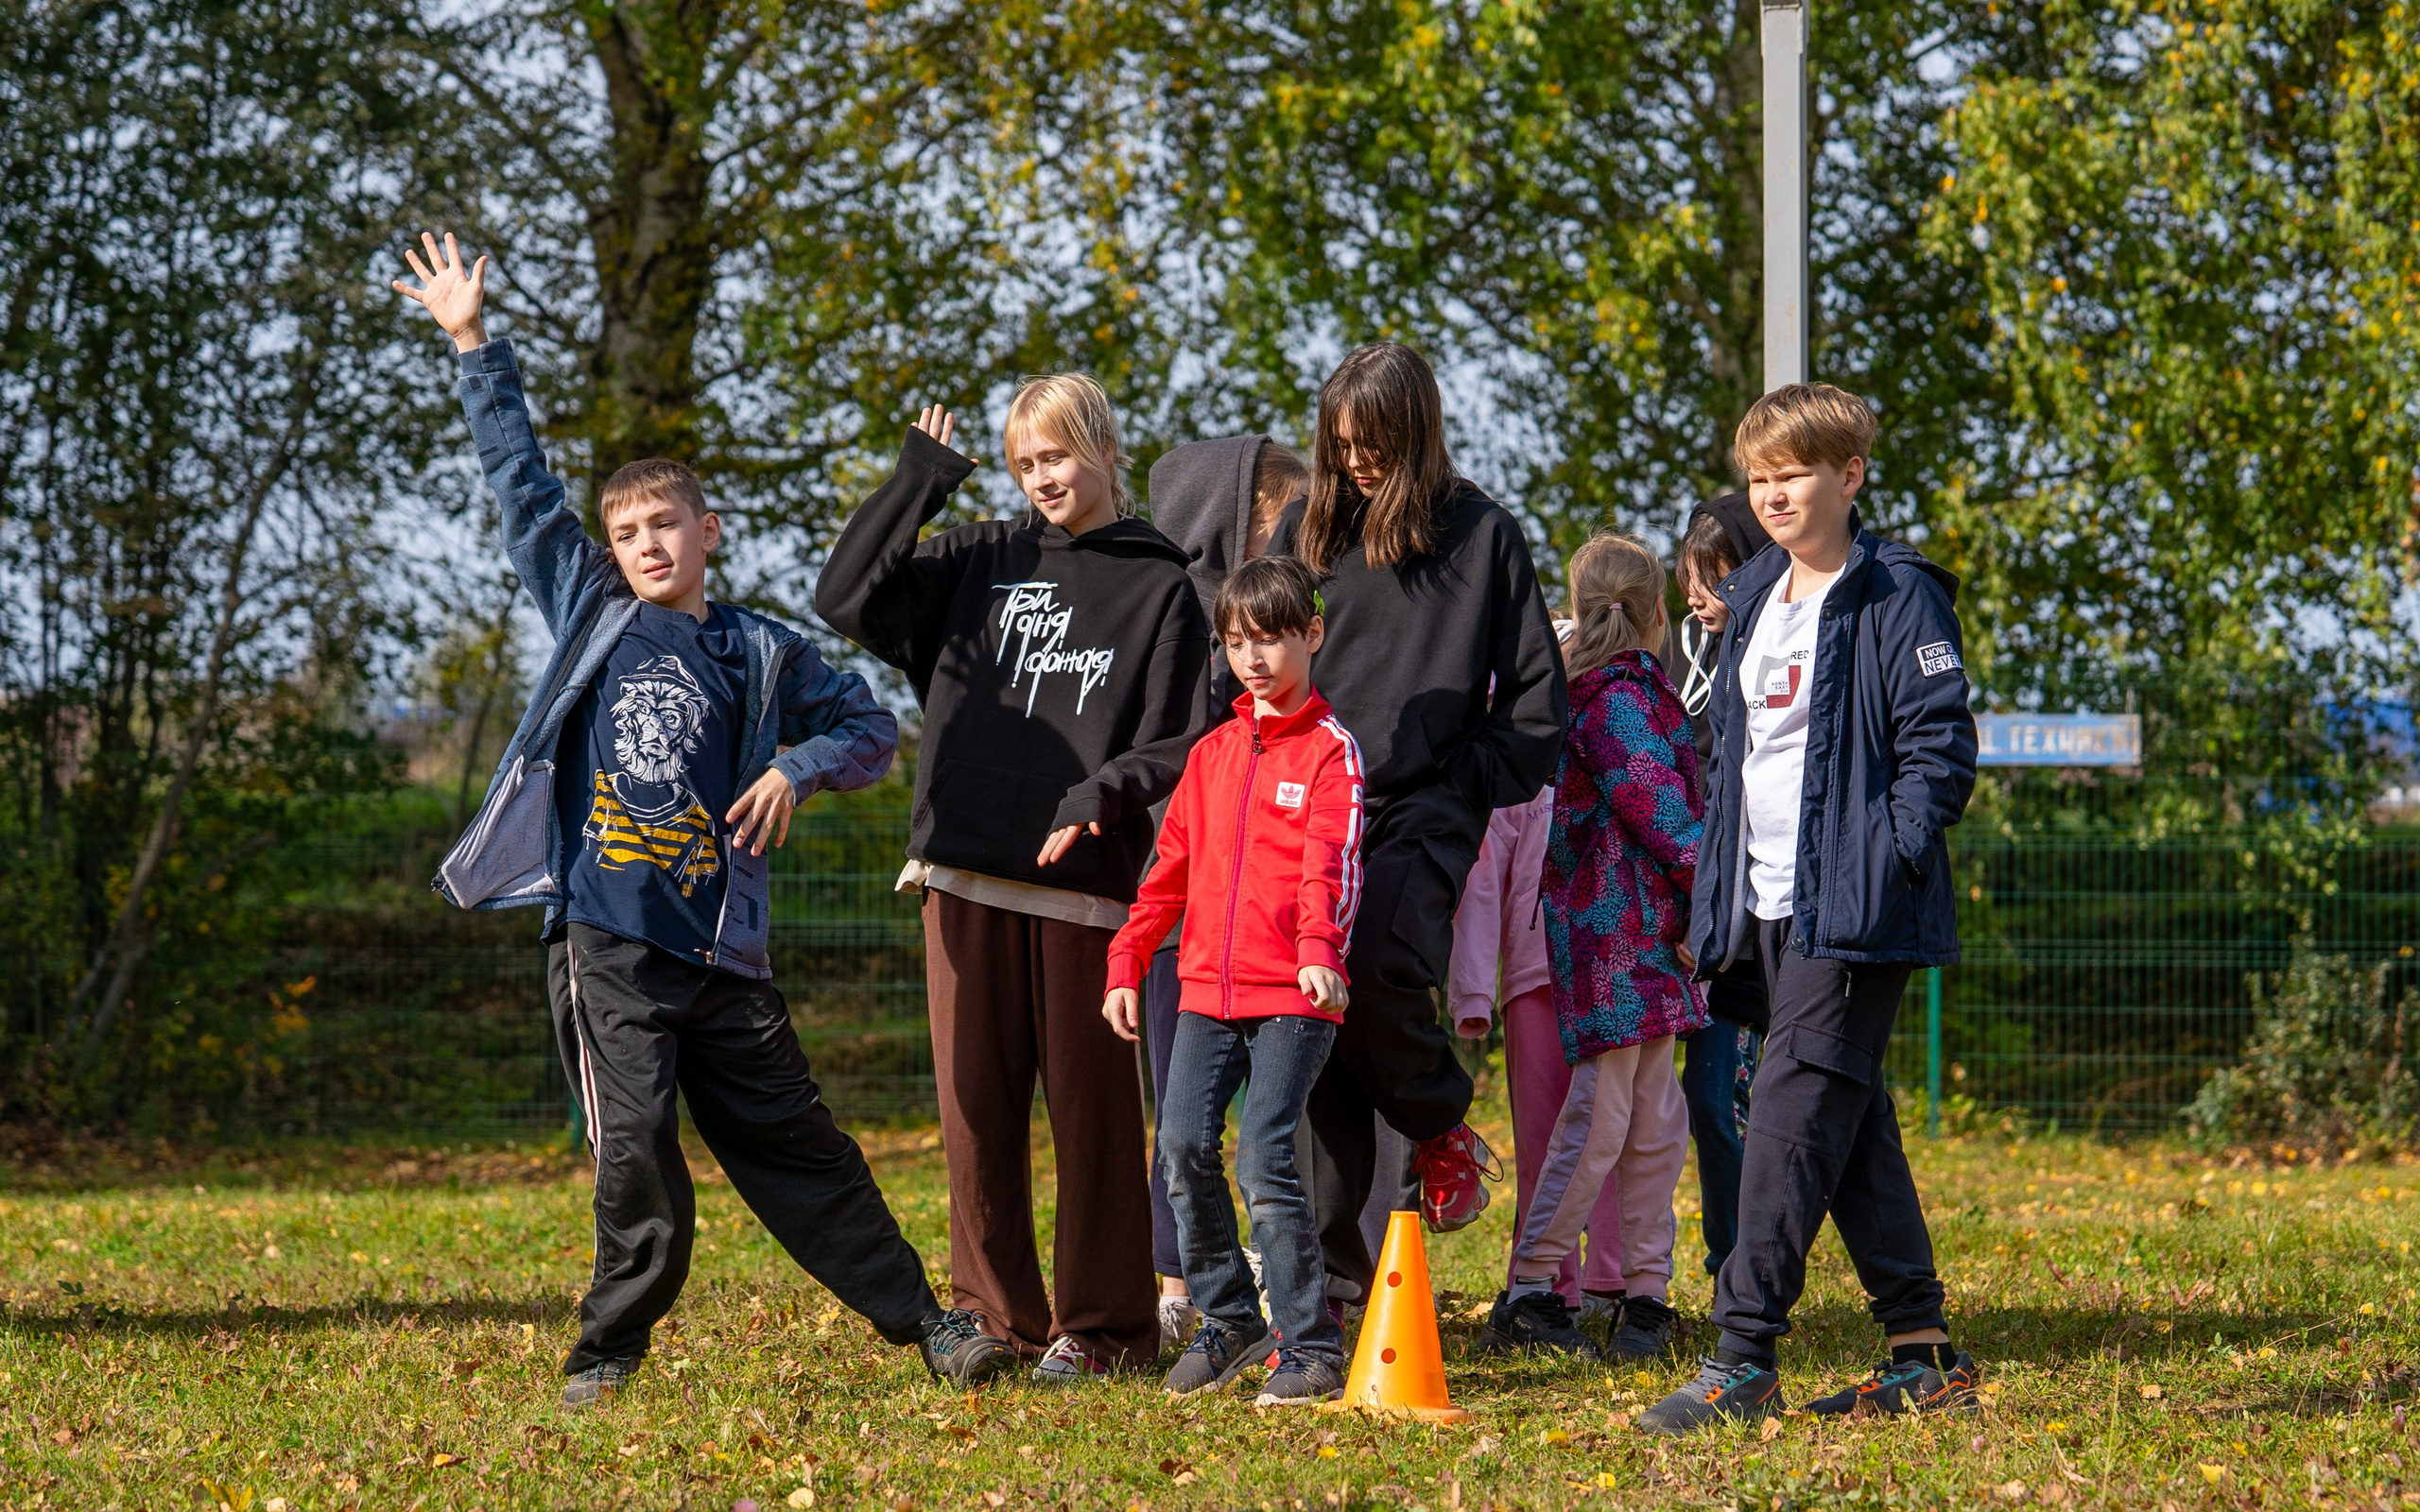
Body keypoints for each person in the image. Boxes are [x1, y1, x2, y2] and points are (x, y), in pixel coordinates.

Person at [393, 232, 1012, 1406]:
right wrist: (472, 340)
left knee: (806, 1152)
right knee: (636, 1154)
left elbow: (876, 729)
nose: (645, 546)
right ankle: (608, 1351)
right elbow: (521, 482)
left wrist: (800, 766)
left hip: (721, 951)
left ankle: (932, 1325)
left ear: (707, 529)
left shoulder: (763, 648)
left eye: (665, 525)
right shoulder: (589, 608)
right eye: (627, 534)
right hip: (607, 943)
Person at [816, 380, 1215, 1383]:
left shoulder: (1161, 584)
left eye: (1056, 456)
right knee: (975, 1111)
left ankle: (1103, 1328)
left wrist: (1101, 790)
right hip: (960, 869)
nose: (1040, 478)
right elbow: (846, 595)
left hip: (1081, 886)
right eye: (1023, 461)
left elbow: (1179, 738)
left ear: (1102, 448)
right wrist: (920, 479)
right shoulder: (979, 558)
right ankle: (994, 1315)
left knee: (1092, 1118)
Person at [1641, 383, 1980, 1435]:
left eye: (1792, 474)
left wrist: (1884, 859)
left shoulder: (1897, 594)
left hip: (1856, 909)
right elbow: (1727, 755)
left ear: (1848, 476)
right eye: (1758, 477)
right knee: (1848, 1115)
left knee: (1786, 1115)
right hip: (1762, 908)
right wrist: (1710, 891)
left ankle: (1743, 1356)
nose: (1773, 493)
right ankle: (1922, 1352)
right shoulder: (1749, 600)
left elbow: (1941, 749)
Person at [1267, 342, 1567, 1307]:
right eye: (1341, 444)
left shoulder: (1483, 536)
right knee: (1313, 1024)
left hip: (1422, 807)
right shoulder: (1301, 530)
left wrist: (1459, 783)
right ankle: (1330, 1301)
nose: (1356, 464)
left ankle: (1438, 1120)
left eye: (1375, 446)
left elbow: (1533, 705)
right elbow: (1246, 652)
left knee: (1382, 963)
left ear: (1419, 437)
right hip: (1308, 804)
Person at [1103, 555, 1365, 1405]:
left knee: (1265, 1161)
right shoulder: (1212, 754)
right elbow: (1167, 869)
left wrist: (1319, 950)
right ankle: (1229, 1320)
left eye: (1274, 639)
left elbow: (1333, 861)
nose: (1255, 658)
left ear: (1312, 635)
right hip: (1205, 990)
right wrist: (1128, 959)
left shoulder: (1333, 753)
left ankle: (1311, 1347)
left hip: (1296, 991)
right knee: (1180, 1148)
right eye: (1239, 642)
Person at [1483, 534, 1704, 1363]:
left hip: (1640, 942)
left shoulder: (1624, 695)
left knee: (1653, 1125)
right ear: (1656, 615)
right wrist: (1712, 891)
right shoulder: (1615, 700)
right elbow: (1660, 810)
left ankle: (1646, 1294)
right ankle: (1532, 1287)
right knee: (1600, 1123)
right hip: (1620, 943)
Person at [1134, 437, 1312, 1353]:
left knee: (1275, 1121)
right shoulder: (1178, 620)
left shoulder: (1282, 623)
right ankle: (1182, 1283)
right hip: (1186, 917)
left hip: (1279, 918)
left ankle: (1290, 1284)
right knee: (1181, 1112)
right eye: (1280, 512)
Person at [1448, 637, 1628, 1334]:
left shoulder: (1611, 762)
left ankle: (1610, 1275)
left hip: (1608, 979)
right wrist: (1470, 996)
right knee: (1544, 1138)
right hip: (1533, 983)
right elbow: (1482, 883)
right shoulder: (1517, 783)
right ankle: (1553, 1284)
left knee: (1611, 1128)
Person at [1666, 497, 1774, 1280]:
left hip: (1754, 923)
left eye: (1717, 578)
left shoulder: (1776, 648)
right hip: (1684, 921)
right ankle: (1727, 1267)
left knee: (1722, 1097)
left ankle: (1742, 1267)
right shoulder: (1671, 653)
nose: (1700, 595)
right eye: (1689, 579)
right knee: (1698, 1102)